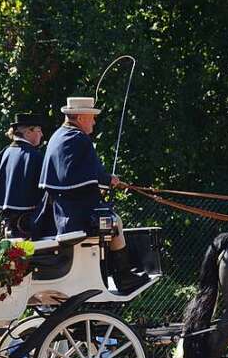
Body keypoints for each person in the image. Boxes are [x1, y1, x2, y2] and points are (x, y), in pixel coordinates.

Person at [36, 95, 148, 293]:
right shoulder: (79, 139)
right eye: (92, 117)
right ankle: (124, 277)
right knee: (116, 221)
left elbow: (74, 175)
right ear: (80, 117)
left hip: (60, 214)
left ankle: (119, 274)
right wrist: (108, 179)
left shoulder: (59, 136)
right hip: (75, 215)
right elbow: (90, 175)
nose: (94, 122)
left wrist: (103, 179)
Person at [0, 112, 48, 238]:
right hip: (29, 225)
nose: (42, 135)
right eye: (38, 130)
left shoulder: (5, 152)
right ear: (28, 132)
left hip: (9, 224)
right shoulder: (34, 156)